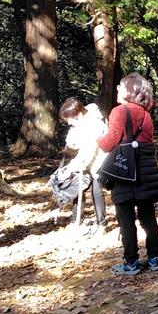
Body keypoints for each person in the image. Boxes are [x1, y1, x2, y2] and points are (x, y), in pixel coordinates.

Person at [97, 73, 158, 275]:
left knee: (126, 218)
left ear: (130, 90)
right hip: (145, 170)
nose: (118, 89)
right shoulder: (146, 114)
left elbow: (109, 143)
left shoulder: (120, 111)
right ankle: (155, 257)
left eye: (120, 86)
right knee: (148, 216)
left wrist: (98, 139)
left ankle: (131, 262)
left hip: (125, 171)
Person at [57, 98, 108, 229]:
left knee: (96, 190)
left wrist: (70, 169)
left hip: (99, 160)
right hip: (85, 160)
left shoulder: (94, 123)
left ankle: (101, 223)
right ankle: (76, 219)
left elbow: (88, 150)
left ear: (78, 114)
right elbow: (72, 141)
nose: (69, 123)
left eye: (69, 120)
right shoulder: (79, 124)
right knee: (78, 186)